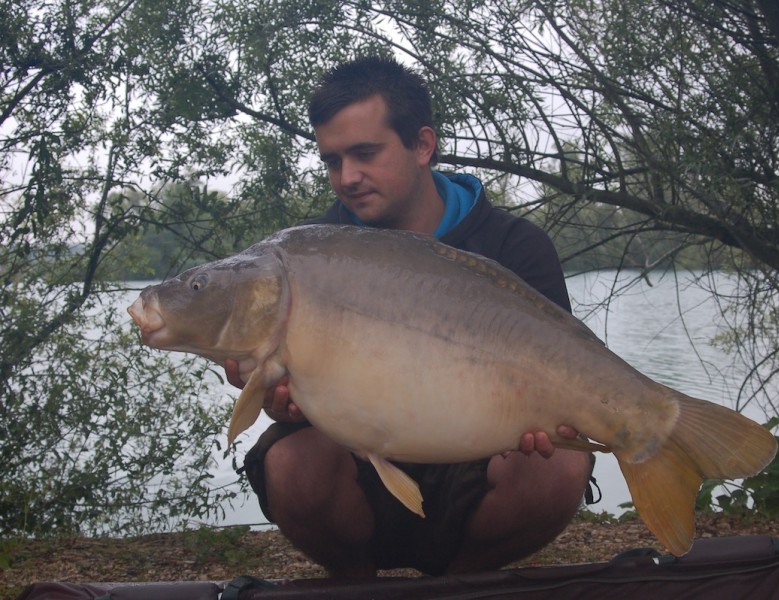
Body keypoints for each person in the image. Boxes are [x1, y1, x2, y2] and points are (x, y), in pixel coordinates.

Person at [226, 55, 595, 578]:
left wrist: (553, 419)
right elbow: (296, 405)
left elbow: (562, 374)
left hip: (477, 458)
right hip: (362, 459)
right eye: (332, 160)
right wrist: (282, 402)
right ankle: (357, 585)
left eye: (365, 153)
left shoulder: (514, 245)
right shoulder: (313, 257)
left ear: (423, 145)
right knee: (291, 464)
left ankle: (460, 584)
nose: (347, 177)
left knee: (558, 466)